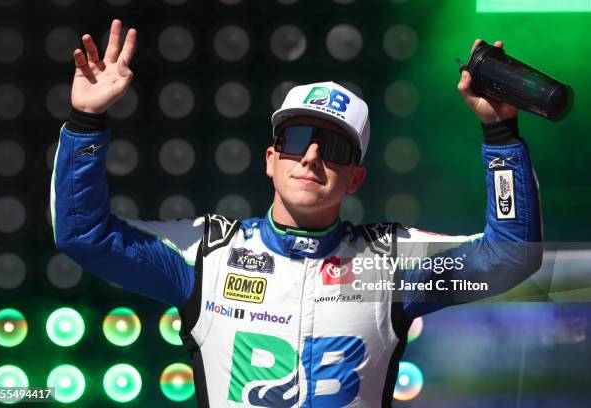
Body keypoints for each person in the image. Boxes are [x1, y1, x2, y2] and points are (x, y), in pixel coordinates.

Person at [51, 19, 543, 408]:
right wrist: (86, 121)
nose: (310, 157)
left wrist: (500, 136)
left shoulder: (387, 263)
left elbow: (510, 256)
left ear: (356, 177)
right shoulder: (207, 253)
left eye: (331, 146)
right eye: (296, 140)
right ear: (271, 159)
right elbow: (84, 233)